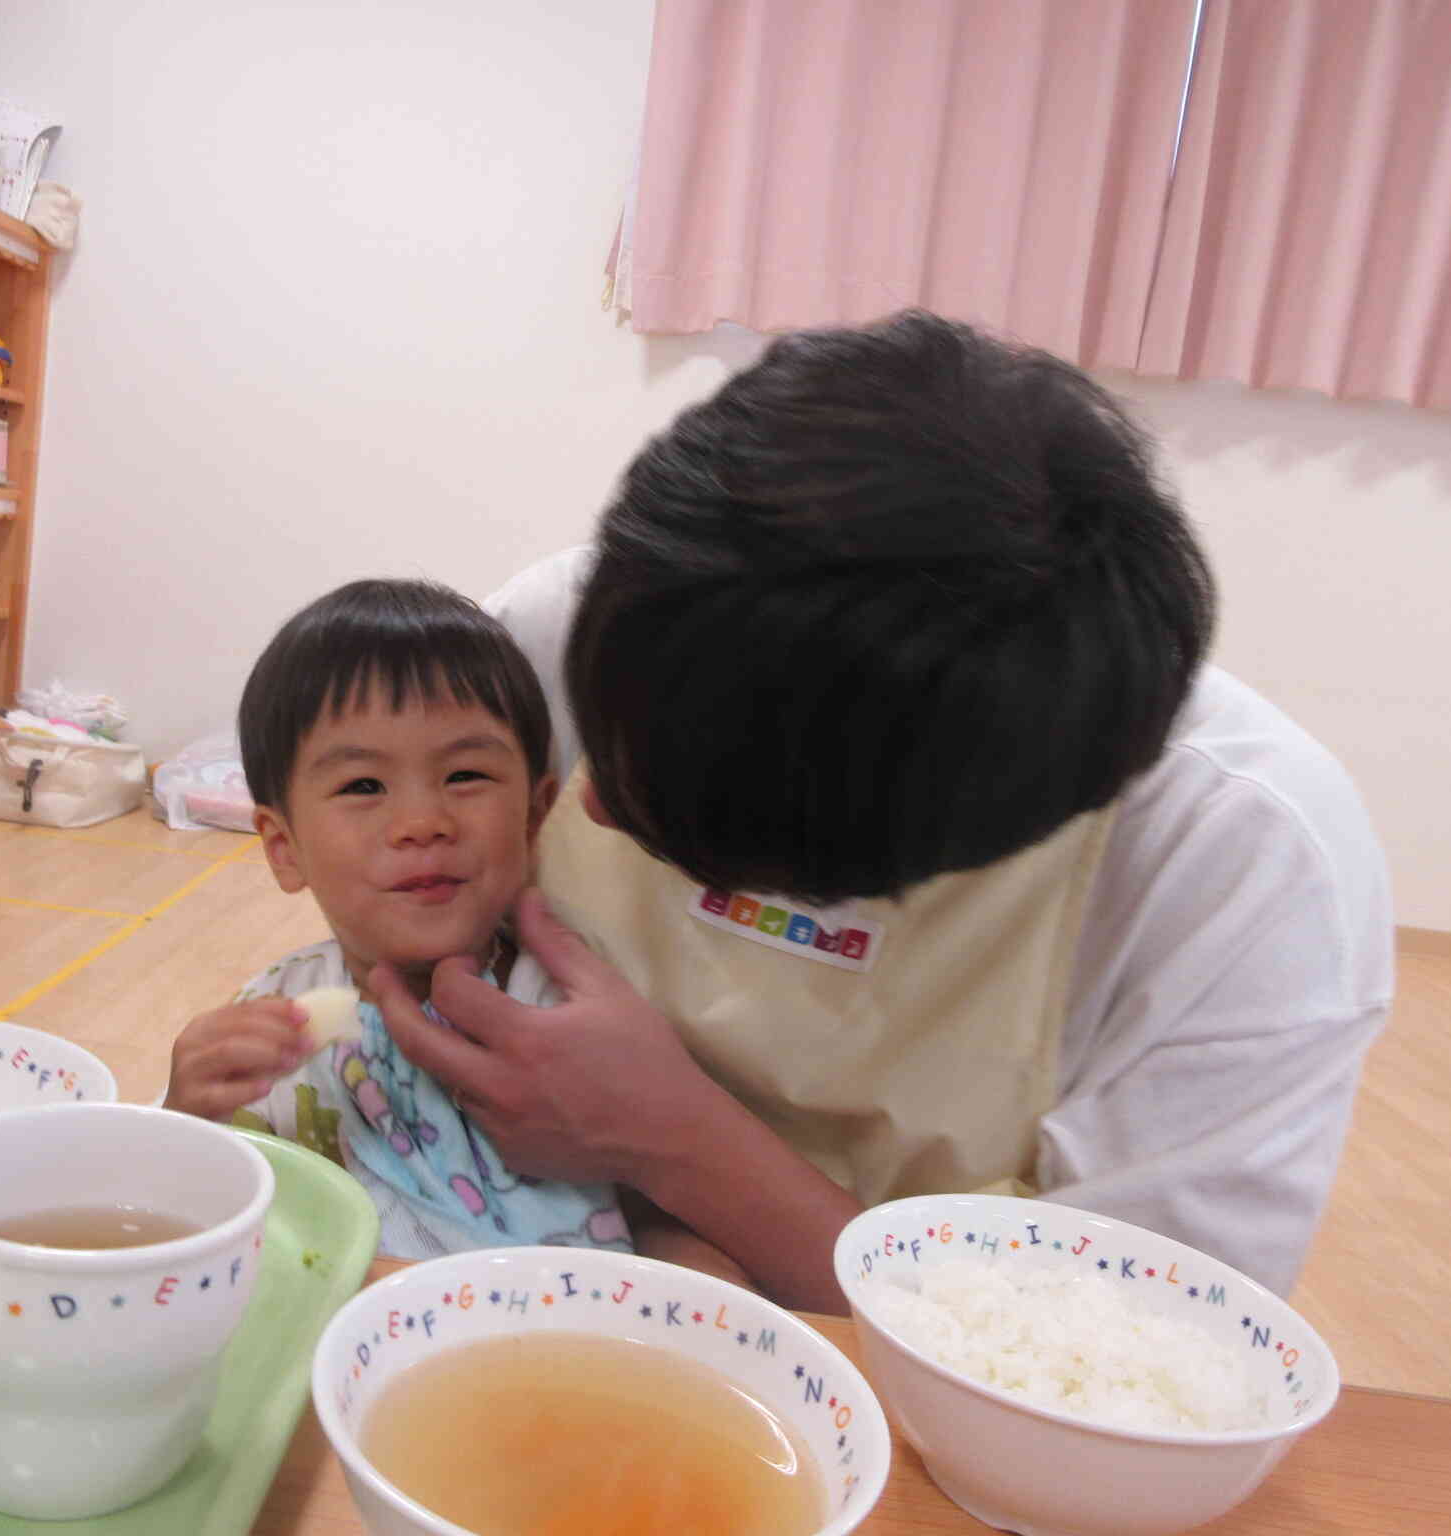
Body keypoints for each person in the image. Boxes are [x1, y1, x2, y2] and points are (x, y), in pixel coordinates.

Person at [367, 311, 1394, 1313]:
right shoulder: (577, 624)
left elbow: (1116, 1353)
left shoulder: (1237, 859)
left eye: (677, 829)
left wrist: (671, 1143)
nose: (583, 801)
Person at [163, 578, 643, 1261]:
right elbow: (191, 1219)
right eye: (363, 786)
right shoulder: (275, 1025)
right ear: (284, 847)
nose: (422, 823)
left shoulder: (579, 1005)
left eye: (465, 775)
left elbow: (662, 1200)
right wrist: (185, 1114)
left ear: (536, 813)